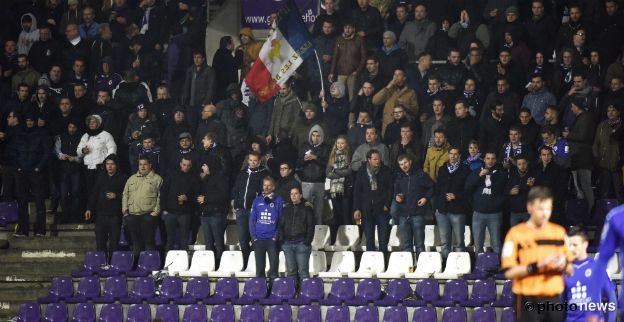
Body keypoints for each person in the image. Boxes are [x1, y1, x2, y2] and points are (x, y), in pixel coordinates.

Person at [502, 186, 574, 322]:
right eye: (540, 208)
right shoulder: (515, 234)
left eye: (548, 208)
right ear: (529, 207)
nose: (545, 213)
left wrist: (563, 265)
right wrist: (537, 266)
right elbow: (509, 272)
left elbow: (570, 269)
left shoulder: (559, 232)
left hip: (553, 299)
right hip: (527, 299)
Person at [11, 112, 51, 237]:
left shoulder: (42, 134)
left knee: (39, 200)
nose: (29, 123)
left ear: (35, 121)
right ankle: (23, 230)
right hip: (21, 172)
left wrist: (39, 167)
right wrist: (17, 167)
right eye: (27, 120)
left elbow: (47, 152)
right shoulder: (19, 134)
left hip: (35, 172)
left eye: (31, 120)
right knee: (22, 201)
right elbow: (13, 152)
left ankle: (40, 230)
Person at [564, 227, 617, 322]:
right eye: (570, 245)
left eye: (575, 245)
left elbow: (611, 299)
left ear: (585, 244)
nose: (572, 249)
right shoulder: (565, 270)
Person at [85, 154, 126, 261]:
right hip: (101, 215)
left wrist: (116, 196)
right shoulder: (101, 176)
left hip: (115, 215)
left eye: (112, 164)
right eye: (107, 164)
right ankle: (101, 264)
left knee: (114, 243)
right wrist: (89, 208)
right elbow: (94, 193)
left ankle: (112, 265)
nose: (110, 166)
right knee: (100, 242)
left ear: (116, 165)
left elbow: (128, 195)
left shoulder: (122, 177)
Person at [122, 156, 163, 259]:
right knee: (136, 242)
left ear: (150, 165)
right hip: (132, 215)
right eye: (140, 164)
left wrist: (156, 211)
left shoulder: (157, 179)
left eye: (145, 164)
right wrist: (125, 210)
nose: (142, 167)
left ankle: (150, 263)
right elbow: (125, 194)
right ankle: (136, 265)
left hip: (148, 215)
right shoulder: (131, 178)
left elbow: (161, 196)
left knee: (149, 241)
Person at [465, 151, 506, 254]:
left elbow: (504, 192)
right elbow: (467, 189)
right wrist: (479, 176)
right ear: (484, 159)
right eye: (488, 158)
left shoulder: (501, 174)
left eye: (492, 158)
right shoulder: (475, 172)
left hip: (495, 214)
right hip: (478, 213)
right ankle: (479, 266)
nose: (490, 161)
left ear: (496, 160)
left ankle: (497, 267)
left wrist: (498, 204)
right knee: (478, 244)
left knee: (496, 243)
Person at [231, 152, 268, 266]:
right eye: (250, 160)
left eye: (255, 161)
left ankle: (255, 262)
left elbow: (266, 191)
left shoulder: (264, 174)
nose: (252, 163)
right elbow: (236, 189)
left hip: (254, 211)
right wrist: (235, 202)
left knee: (255, 238)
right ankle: (246, 262)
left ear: (259, 161)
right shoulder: (242, 174)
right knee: (242, 239)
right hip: (241, 210)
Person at [353, 149, 393, 254]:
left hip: (382, 210)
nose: (378, 161)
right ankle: (371, 263)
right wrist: (357, 208)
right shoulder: (361, 172)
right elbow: (357, 191)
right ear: (369, 160)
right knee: (369, 240)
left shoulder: (386, 171)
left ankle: (383, 264)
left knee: (383, 241)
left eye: (379, 159)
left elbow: (391, 190)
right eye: (375, 159)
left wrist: (387, 205)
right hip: (367, 210)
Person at [394, 154, 434, 257]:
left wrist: (426, 198)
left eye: (405, 163)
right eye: (401, 164)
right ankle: (409, 269)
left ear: (410, 162)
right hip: (403, 215)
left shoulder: (420, 174)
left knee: (419, 245)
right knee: (406, 246)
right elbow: (395, 192)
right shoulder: (399, 177)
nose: (404, 166)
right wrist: (397, 196)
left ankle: (420, 269)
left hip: (417, 214)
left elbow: (432, 187)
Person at [434, 147, 471, 259]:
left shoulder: (466, 169)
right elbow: (438, 189)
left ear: (459, 156)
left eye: (456, 154)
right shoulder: (442, 169)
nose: (453, 156)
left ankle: (460, 265)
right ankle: (446, 266)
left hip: (458, 210)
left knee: (459, 242)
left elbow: (468, 191)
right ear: (448, 155)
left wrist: (456, 196)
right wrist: (436, 207)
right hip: (442, 211)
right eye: (451, 154)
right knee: (445, 243)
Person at [278, 186, 315, 288]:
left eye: (296, 194)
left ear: (300, 195)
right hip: (288, 245)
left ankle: (305, 295)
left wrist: (307, 242)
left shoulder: (307, 208)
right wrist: (282, 241)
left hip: (302, 244)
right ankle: (291, 295)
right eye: (291, 194)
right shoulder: (285, 209)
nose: (293, 196)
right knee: (291, 272)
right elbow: (280, 225)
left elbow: (311, 226)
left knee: (303, 272)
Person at [160, 156, 199, 251]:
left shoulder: (195, 178)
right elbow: (163, 191)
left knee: (184, 241)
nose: (186, 167)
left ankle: (184, 263)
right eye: (184, 164)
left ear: (191, 166)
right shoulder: (171, 175)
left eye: (188, 165)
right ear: (180, 164)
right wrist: (164, 209)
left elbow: (197, 196)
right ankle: (167, 262)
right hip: (170, 212)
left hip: (185, 213)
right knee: (169, 240)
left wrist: (188, 198)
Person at [250, 176, 283, 280]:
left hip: (271, 240)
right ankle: (260, 292)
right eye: (265, 185)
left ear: (273, 187)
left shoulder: (279, 200)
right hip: (258, 240)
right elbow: (252, 221)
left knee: (274, 270)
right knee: (259, 271)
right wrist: (254, 237)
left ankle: (274, 292)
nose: (266, 187)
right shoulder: (256, 201)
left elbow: (281, 221)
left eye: (269, 185)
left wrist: (275, 237)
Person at [77, 115, 117, 198]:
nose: (91, 124)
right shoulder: (85, 136)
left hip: (101, 168)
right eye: (89, 122)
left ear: (98, 123)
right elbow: (78, 151)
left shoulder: (106, 135)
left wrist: (107, 163)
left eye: (94, 122)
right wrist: (83, 150)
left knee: (102, 191)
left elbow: (112, 149)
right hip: (88, 169)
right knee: (90, 192)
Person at [296, 125, 330, 225]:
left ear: (321, 136)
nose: (315, 138)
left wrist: (316, 158)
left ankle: (318, 235)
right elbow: (298, 163)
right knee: (306, 211)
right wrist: (304, 160)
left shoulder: (326, 147)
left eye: (318, 135)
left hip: (319, 183)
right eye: (313, 135)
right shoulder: (304, 146)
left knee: (318, 212)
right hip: (306, 182)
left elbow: (327, 164)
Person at [592, 104, 623, 203]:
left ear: (619, 112)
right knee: (603, 191)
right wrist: (597, 158)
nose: (610, 113)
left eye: (613, 110)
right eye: (608, 110)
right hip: (603, 164)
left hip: (618, 165)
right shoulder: (601, 126)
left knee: (619, 191)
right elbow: (596, 144)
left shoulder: (622, 126)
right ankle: (604, 214)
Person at [54, 121, 83, 223]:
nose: (71, 129)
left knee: (76, 193)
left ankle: (75, 216)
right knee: (64, 194)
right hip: (64, 169)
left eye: (73, 127)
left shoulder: (81, 138)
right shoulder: (61, 136)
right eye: (70, 127)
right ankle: (65, 216)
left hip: (76, 169)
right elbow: (57, 150)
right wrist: (62, 156)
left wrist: (73, 159)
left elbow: (82, 154)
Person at [326, 136, 353, 230]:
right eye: (338, 143)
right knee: (337, 215)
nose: (340, 145)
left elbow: (349, 171)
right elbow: (328, 174)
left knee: (346, 215)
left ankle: (349, 237)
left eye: (342, 143)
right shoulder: (332, 157)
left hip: (345, 189)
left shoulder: (349, 156)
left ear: (346, 144)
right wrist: (341, 173)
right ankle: (337, 236)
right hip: (334, 190)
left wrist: (335, 171)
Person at [506, 155, 536, 226]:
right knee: (515, 235)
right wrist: (510, 192)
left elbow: (538, 193)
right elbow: (504, 191)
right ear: (516, 164)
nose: (522, 166)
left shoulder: (533, 174)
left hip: (528, 211)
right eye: (519, 164)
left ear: (527, 163)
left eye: (524, 163)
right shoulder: (512, 175)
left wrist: (531, 187)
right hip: (514, 212)